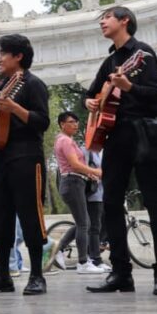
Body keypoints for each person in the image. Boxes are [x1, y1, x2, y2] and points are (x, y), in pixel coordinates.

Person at [84, 6, 157, 296]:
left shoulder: (143, 55)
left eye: (106, 17)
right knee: (110, 203)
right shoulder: (110, 61)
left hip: (144, 133)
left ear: (125, 21)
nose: (101, 22)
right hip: (115, 136)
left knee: (154, 202)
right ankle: (121, 273)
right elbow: (93, 94)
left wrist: (130, 86)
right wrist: (91, 103)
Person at [0, 34, 51, 295]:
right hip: (1, 158)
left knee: (30, 216)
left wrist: (15, 108)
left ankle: (37, 276)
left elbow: (42, 122)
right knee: (1, 218)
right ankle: (2, 275)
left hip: (27, 158)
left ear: (18, 56)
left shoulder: (33, 84)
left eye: (3, 53)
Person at [53, 112, 106, 274]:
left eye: (76, 121)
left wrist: (88, 174)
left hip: (75, 182)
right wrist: (96, 172)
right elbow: (74, 165)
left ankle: (80, 259)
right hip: (72, 182)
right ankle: (82, 262)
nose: (75, 125)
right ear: (62, 124)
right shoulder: (65, 141)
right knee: (84, 224)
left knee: (85, 223)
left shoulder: (68, 141)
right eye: (71, 122)